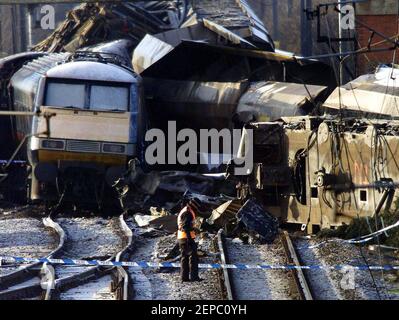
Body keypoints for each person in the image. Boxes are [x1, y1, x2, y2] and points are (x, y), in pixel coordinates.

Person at [177, 199, 202, 282]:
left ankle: (184, 278)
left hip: (182, 237)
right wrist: (190, 239)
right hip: (186, 238)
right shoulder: (188, 212)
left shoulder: (186, 210)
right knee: (193, 257)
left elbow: (185, 225)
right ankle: (194, 277)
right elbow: (186, 227)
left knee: (185, 258)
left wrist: (193, 229)